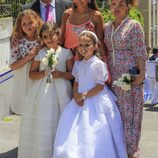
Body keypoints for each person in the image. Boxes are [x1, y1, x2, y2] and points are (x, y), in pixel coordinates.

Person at [53, 31, 127, 158]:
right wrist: (76, 95)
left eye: (87, 45)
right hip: (79, 99)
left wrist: (84, 95)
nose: (83, 48)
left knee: (95, 130)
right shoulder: (78, 64)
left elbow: (99, 86)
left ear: (95, 46)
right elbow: (76, 82)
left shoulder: (98, 64)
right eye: (80, 45)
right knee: (75, 131)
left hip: (95, 99)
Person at [17, 22, 74, 158]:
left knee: (59, 120)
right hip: (42, 93)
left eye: (51, 35)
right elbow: (31, 74)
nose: (49, 39)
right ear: (42, 39)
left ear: (58, 35)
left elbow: (72, 74)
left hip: (61, 91)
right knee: (44, 121)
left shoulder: (66, 53)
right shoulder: (40, 53)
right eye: (45, 37)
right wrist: (44, 73)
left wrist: (60, 74)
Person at [104, 0, 147, 158]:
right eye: (114, 4)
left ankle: (131, 152)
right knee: (117, 117)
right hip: (113, 81)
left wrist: (141, 75)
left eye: (121, 5)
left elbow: (140, 52)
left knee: (130, 117)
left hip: (130, 79)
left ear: (128, 6)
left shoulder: (134, 26)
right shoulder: (107, 27)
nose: (116, 8)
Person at [9, 9, 43, 115]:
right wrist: (28, 57)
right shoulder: (16, 40)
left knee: (40, 109)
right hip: (24, 79)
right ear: (20, 26)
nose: (28, 26)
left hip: (40, 75)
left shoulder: (43, 37)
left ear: (37, 21)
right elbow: (13, 66)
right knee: (27, 110)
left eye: (30, 22)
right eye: (24, 24)